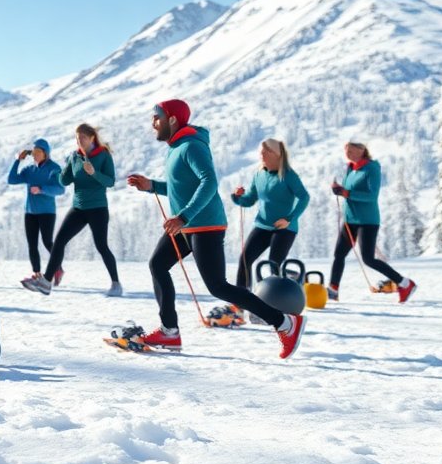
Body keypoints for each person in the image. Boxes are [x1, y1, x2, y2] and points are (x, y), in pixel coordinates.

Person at [125, 99, 305, 358]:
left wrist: (184, 217)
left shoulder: (192, 146)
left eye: (157, 117)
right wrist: (152, 185)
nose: (153, 123)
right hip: (187, 225)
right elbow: (181, 188)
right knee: (157, 265)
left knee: (218, 286)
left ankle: (285, 323)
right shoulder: (176, 148)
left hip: (204, 225)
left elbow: (209, 182)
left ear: (172, 119)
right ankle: (169, 331)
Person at [23, 124, 121, 296]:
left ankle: (116, 283)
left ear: (92, 138)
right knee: (59, 241)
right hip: (78, 208)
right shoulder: (76, 156)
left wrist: (94, 173)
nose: (79, 141)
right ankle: (46, 282)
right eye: (77, 138)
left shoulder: (103, 155)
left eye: (82, 137)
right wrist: (64, 169)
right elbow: (65, 181)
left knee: (101, 245)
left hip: (97, 208)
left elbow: (110, 182)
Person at [329, 140, 417, 303]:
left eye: (351, 150)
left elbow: (371, 196)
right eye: (345, 150)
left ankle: (405, 283)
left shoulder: (371, 168)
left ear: (361, 150)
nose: (347, 153)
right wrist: (339, 190)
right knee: (339, 254)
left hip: (367, 221)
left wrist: (346, 193)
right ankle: (333, 290)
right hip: (350, 220)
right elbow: (349, 191)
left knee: (368, 259)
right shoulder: (350, 168)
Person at [230, 139, 310, 297]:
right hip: (262, 226)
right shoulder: (259, 174)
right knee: (245, 260)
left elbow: (304, 197)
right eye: (261, 151)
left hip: (284, 229)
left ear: (276, 155)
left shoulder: (288, 175)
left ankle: (280, 297)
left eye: (265, 151)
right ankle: (241, 301)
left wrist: (289, 218)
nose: (261, 154)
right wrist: (236, 197)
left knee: (274, 265)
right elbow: (249, 200)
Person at [8, 138, 64, 277]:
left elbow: (60, 189)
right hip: (30, 212)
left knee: (47, 242)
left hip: (47, 212)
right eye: (33, 152)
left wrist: (41, 189)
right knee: (32, 244)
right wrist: (17, 161)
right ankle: (37, 273)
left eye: (38, 152)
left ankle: (58, 268)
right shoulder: (29, 169)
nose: (35, 154)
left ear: (46, 153)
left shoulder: (54, 168)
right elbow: (11, 179)